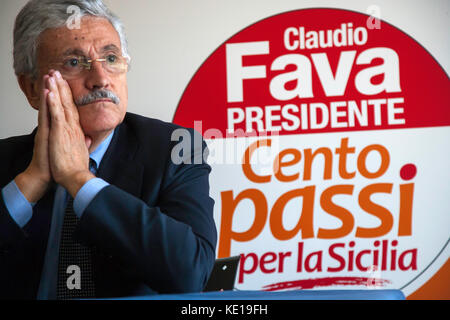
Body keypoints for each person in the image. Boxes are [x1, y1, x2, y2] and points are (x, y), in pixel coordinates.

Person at [0, 0, 217, 300]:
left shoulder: (176, 148)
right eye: (74, 63)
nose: (101, 79)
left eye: (111, 57)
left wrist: (80, 180)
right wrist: (32, 180)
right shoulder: (4, 161)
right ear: (32, 88)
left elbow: (190, 274)